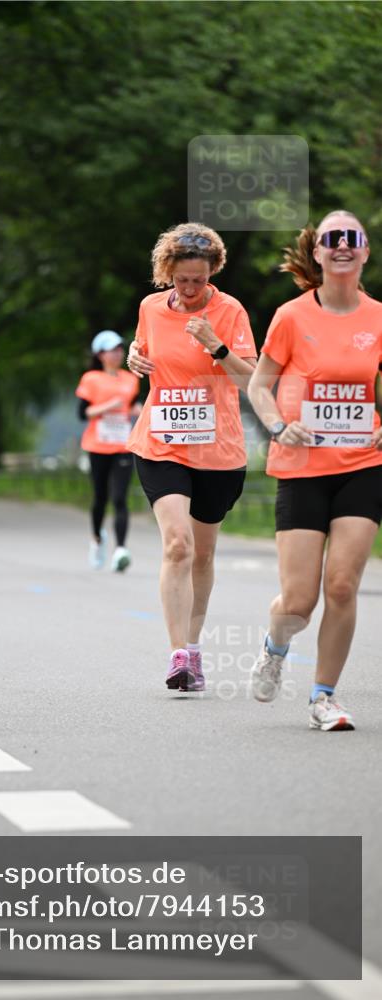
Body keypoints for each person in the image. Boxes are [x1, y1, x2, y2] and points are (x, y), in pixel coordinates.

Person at [248, 210, 382, 732]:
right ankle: (275, 645)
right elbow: (260, 384)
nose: (343, 246)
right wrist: (279, 426)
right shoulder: (291, 316)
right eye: (333, 239)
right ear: (319, 253)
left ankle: (324, 696)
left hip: (362, 465)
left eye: (353, 239)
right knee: (299, 601)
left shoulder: (377, 316)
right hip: (302, 466)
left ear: (365, 252)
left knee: (343, 586)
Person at [126, 223, 257, 692]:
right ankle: (178, 654)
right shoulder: (150, 308)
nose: (190, 289)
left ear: (212, 272)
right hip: (162, 441)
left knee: (202, 554)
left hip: (217, 448)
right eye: (182, 280)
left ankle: (195, 648)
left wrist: (216, 346)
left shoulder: (230, 311)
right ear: (168, 273)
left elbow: (251, 381)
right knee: (177, 544)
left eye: (199, 280)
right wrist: (133, 359)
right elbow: (143, 350)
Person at [75, 330, 141, 571]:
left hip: (123, 445)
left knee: (120, 498)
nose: (118, 353)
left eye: (120, 349)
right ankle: (97, 539)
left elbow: (134, 405)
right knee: (100, 498)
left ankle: (121, 549)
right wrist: (107, 407)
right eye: (112, 350)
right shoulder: (91, 379)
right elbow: (82, 413)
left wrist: (144, 412)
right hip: (97, 446)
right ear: (100, 354)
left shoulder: (130, 379)